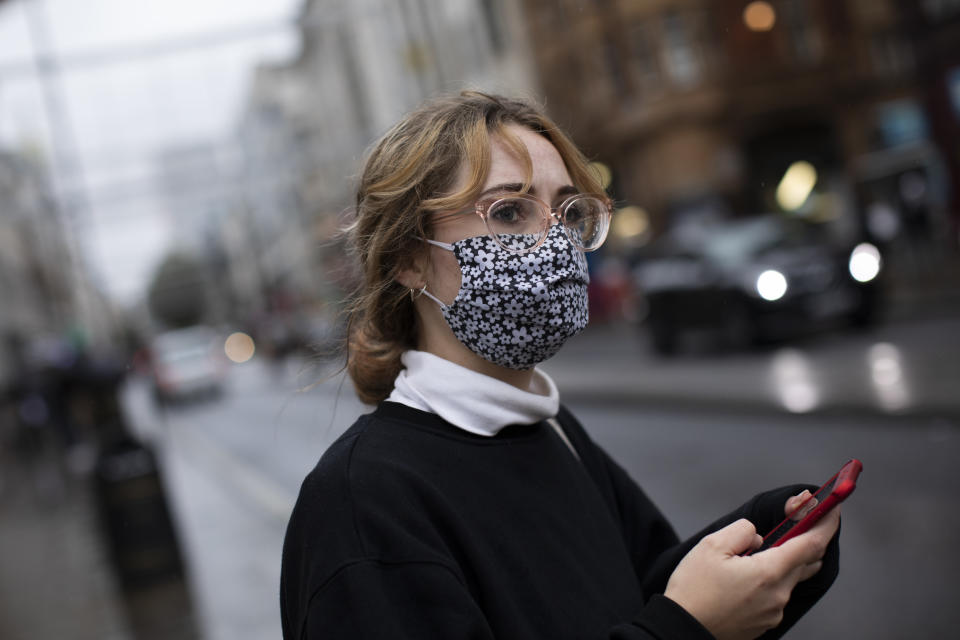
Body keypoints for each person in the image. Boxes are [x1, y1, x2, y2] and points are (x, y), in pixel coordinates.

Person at [280, 92, 840, 639]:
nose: (554, 241)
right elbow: (670, 619)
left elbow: (638, 592)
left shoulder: (552, 428)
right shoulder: (360, 502)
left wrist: (761, 542)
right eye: (509, 211)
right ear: (407, 257)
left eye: (569, 212)